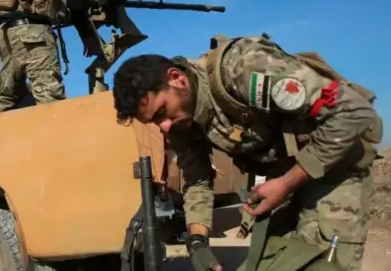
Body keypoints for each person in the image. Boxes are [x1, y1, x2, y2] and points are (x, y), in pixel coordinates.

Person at [111, 34, 383, 271]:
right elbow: (197, 179)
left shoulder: (243, 67)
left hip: (335, 167)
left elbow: (353, 112)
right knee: (275, 262)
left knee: (324, 264)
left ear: (177, 78)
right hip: (283, 179)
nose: (164, 125)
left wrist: (287, 183)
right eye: (154, 122)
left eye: (161, 112)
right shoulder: (181, 121)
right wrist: (197, 242)